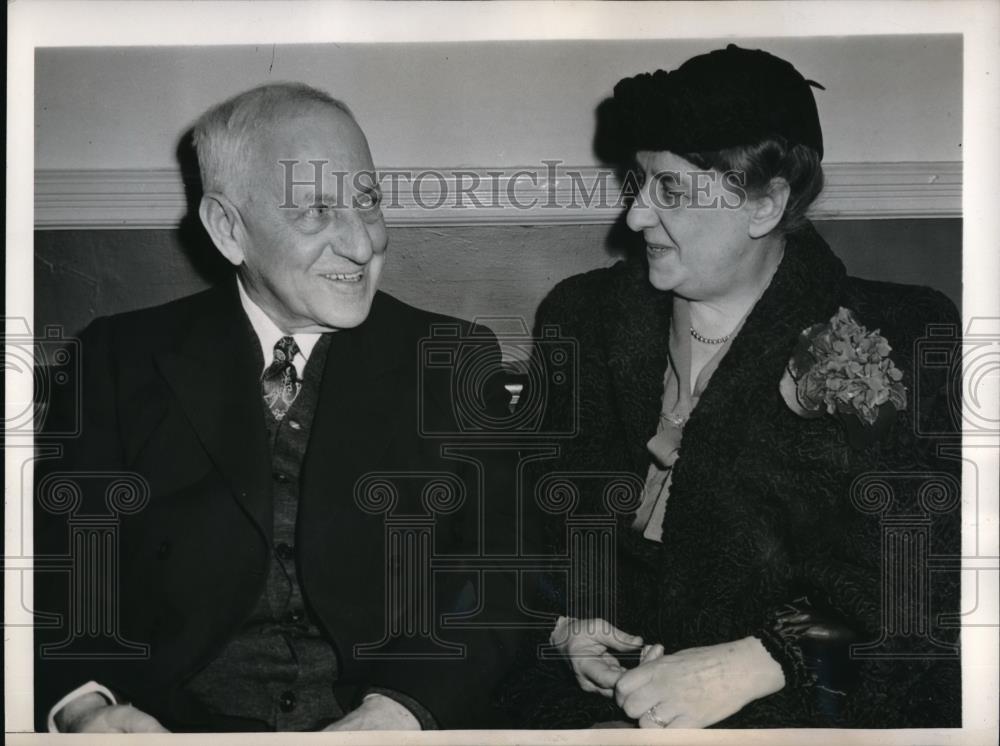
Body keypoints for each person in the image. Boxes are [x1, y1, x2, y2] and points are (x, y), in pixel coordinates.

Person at [34, 82, 517, 732]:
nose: (361, 243)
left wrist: (405, 708)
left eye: (368, 201)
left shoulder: (454, 360)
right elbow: (60, 572)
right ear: (228, 228)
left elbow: (506, 576)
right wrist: (88, 707)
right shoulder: (118, 362)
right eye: (316, 211)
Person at [502, 45, 961, 728]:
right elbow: (518, 508)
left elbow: (929, 560)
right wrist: (569, 613)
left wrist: (761, 659)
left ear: (765, 205)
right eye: (639, 182)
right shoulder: (585, 317)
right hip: (588, 692)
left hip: (795, 695)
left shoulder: (896, 332)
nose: (634, 218)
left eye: (672, 191)